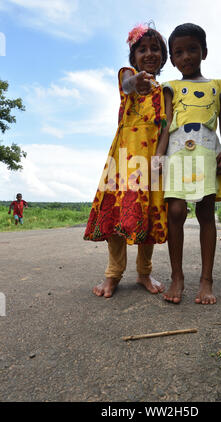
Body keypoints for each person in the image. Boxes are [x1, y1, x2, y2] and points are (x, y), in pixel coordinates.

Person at [84, 23, 168, 298]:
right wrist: (136, 81)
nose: (149, 54)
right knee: (118, 215)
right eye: (142, 50)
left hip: (151, 161)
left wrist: (160, 158)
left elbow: (167, 127)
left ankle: (144, 272)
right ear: (133, 59)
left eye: (155, 49)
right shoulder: (128, 79)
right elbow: (127, 84)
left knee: (148, 217)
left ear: (163, 56)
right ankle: (112, 274)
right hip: (123, 161)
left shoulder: (164, 92)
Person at [155, 23, 221, 304]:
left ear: (204, 51)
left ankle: (206, 280)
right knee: (175, 212)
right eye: (178, 52)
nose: (186, 56)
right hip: (177, 156)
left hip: (207, 155)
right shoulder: (171, 87)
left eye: (192, 49)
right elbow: (166, 125)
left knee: (205, 213)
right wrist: (159, 155)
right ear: (172, 59)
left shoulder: (217, 86)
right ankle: (177, 277)